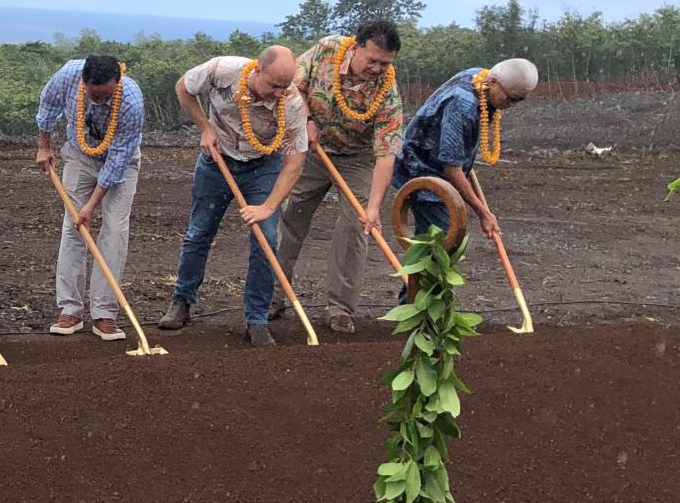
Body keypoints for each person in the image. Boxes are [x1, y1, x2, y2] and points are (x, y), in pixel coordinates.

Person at [156, 46, 310, 346]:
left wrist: (268, 206)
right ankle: (182, 302)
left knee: (266, 239)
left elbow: (295, 163)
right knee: (199, 232)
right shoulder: (222, 70)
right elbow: (183, 87)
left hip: (263, 167)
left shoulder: (292, 103)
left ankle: (257, 318)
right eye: (274, 85)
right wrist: (205, 127)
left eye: (285, 86)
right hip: (217, 161)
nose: (280, 92)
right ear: (256, 71)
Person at [270, 21, 406, 334]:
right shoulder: (328, 49)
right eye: (371, 59)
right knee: (290, 218)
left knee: (355, 228)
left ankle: (341, 308)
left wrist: (373, 208)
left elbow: (386, 154)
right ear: (356, 46)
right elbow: (291, 84)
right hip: (311, 150)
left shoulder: (388, 94)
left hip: (357, 159)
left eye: (385, 63)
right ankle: (272, 296)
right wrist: (305, 119)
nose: (376, 68)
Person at [35, 54, 144, 341]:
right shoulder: (69, 75)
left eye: (104, 95)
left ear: (117, 83)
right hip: (80, 154)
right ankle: (69, 310)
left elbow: (118, 161)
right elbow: (48, 105)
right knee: (73, 227)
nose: (97, 101)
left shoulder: (131, 101)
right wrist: (44, 146)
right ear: (84, 81)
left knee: (115, 230)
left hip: (121, 162)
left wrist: (91, 205)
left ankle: (104, 313)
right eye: (93, 95)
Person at [390, 58, 539, 242]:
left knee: (438, 242)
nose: (512, 104)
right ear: (493, 82)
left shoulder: (480, 76)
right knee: (442, 240)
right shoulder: (462, 105)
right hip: (422, 169)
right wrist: (484, 213)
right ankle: (423, 271)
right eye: (511, 98)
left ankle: (425, 271)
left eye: (520, 100)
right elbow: (452, 168)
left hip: (444, 163)